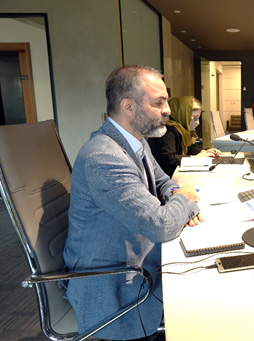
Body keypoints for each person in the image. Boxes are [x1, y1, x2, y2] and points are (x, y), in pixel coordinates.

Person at [63, 65, 203, 340]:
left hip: (138, 259)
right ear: (128, 106)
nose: (168, 110)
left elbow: (164, 183)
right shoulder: (104, 157)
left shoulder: (135, 142)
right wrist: (185, 198)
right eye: (158, 103)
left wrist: (181, 196)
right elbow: (161, 226)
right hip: (114, 282)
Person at [148, 96, 220, 177]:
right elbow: (169, 158)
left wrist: (204, 152)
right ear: (184, 113)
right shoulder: (167, 129)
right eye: (195, 117)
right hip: (165, 177)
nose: (197, 122)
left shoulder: (181, 129)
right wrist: (195, 158)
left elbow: (187, 147)